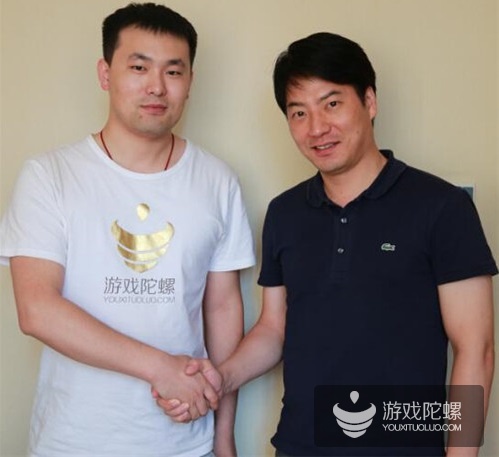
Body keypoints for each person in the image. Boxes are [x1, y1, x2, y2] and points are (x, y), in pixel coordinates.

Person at [161, 32, 497, 456]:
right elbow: (274, 329)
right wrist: (221, 378)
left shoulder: (442, 207)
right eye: (299, 113)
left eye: (332, 104)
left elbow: (476, 349)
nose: (317, 128)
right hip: (299, 445)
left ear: (369, 102)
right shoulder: (284, 213)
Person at [0, 3, 255, 456]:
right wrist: (160, 368)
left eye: (173, 71)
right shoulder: (50, 175)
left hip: (185, 443)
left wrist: (222, 437)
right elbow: (37, 308)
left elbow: (221, 309)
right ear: (105, 73)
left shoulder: (217, 180)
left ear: (190, 81)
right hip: (72, 441)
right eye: (139, 67)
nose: (157, 86)